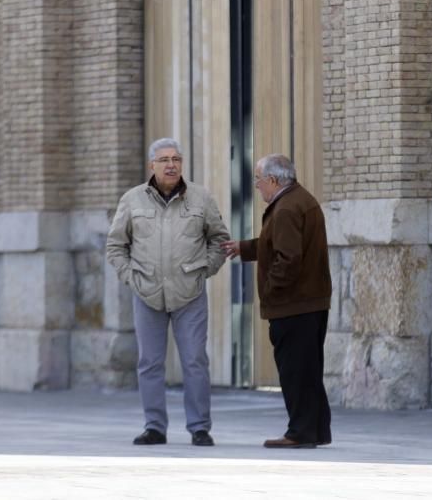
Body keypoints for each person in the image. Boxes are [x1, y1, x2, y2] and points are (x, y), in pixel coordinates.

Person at [106, 138, 230, 447]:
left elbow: (219, 239)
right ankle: (154, 427)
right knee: (149, 363)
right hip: (147, 293)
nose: (171, 164)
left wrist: (206, 269)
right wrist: (130, 277)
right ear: (152, 165)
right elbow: (115, 246)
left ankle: (200, 427)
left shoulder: (200, 199)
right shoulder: (132, 200)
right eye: (164, 160)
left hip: (190, 294)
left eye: (176, 159)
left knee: (195, 361)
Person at [221, 154, 332, 449]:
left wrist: (271, 292)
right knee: (308, 370)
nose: (257, 187)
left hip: (294, 306)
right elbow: (277, 245)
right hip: (310, 303)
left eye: (258, 180)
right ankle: (315, 431)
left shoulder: (285, 209)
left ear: (272, 180)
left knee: (295, 371)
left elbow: (288, 258)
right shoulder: (299, 200)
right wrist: (244, 248)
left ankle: (299, 433)